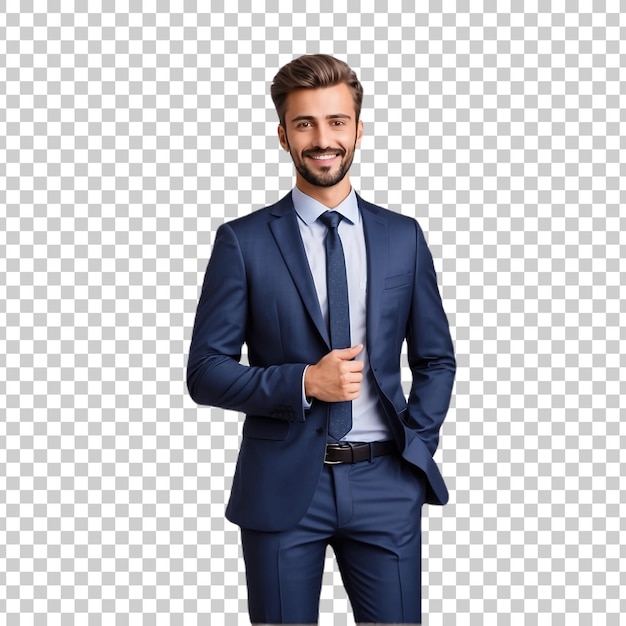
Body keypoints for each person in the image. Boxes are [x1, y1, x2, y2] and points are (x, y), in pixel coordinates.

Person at [187, 54, 456, 625]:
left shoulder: (403, 237)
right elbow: (206, 370)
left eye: (337, 122)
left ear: (358, 129)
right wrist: (305, 381)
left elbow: (435, 359)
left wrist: (418, 447)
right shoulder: (242, 242)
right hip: (283, 488)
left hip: (386, 481)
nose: (322, 138)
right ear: (283, 135)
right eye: (305, 123)